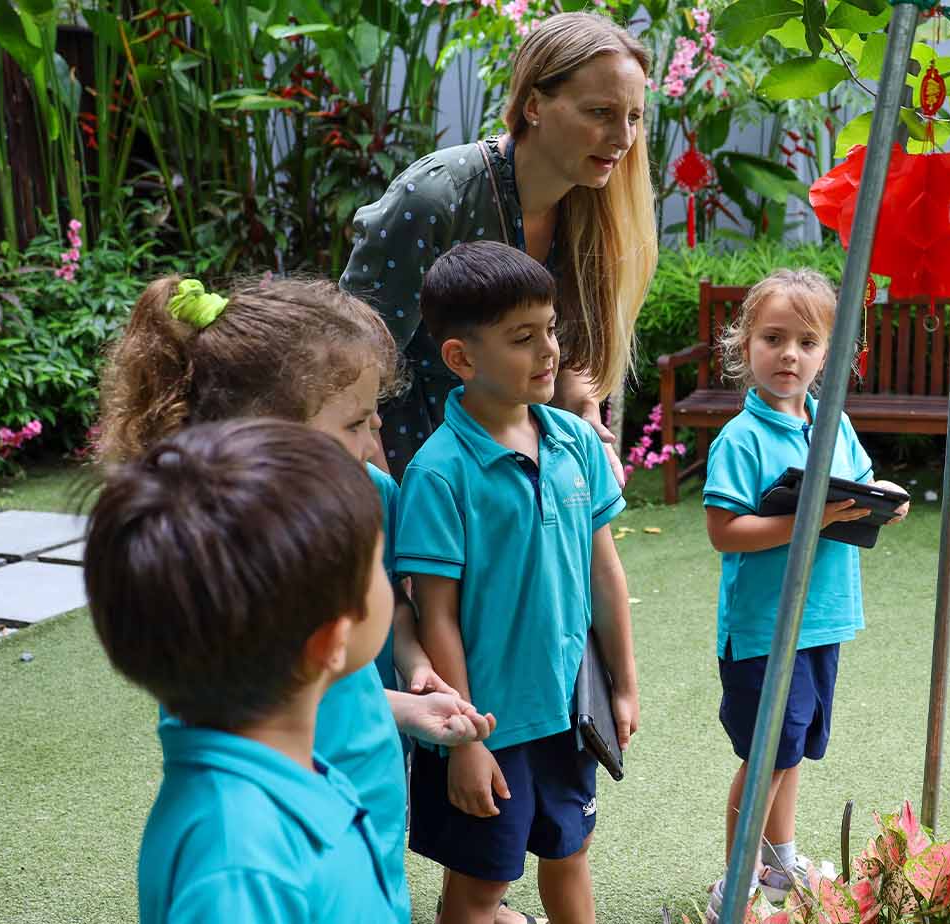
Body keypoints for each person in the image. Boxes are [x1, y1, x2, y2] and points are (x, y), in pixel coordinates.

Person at [96, 276, 492, 924]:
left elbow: (294, 684)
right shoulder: (238, 865)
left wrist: (404, 711)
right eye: (357, 422)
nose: (374, 445)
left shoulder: (292, 758)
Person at [396, 242, 638, 924]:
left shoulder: (576, 441)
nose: (549, 351)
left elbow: (604, 569)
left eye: (551, 329)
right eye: (522, 338)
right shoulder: (439, 473)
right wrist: (465, 741)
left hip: (570, 712)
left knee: (571, 854)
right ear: (461, 359)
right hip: (488, 723)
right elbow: (434, 617)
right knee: (476, 892)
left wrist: (622, 682)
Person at [341, 11, 657, 482]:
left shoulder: (591, 207)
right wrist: (386, 505)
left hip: (512, 458)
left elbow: (570, 352)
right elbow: (355, 362)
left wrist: (587, 417)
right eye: (600, 113)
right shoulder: (435, 197)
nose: (624, 138)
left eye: (633, 117)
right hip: (412, 456)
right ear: (533, 105)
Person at [699, 270, 911, 918]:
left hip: (822, 621)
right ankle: (734, 886)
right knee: (765, 757)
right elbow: (724, 531)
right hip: (764, 631)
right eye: (772, 338)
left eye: (806, 341)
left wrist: (888, 502)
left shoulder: (831, 421)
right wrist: (810, 519)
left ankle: (779, 865)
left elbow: (863, 483)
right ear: (744, 346)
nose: (789, 354)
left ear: (829, 353)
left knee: (791, 755)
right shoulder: (740, 439)